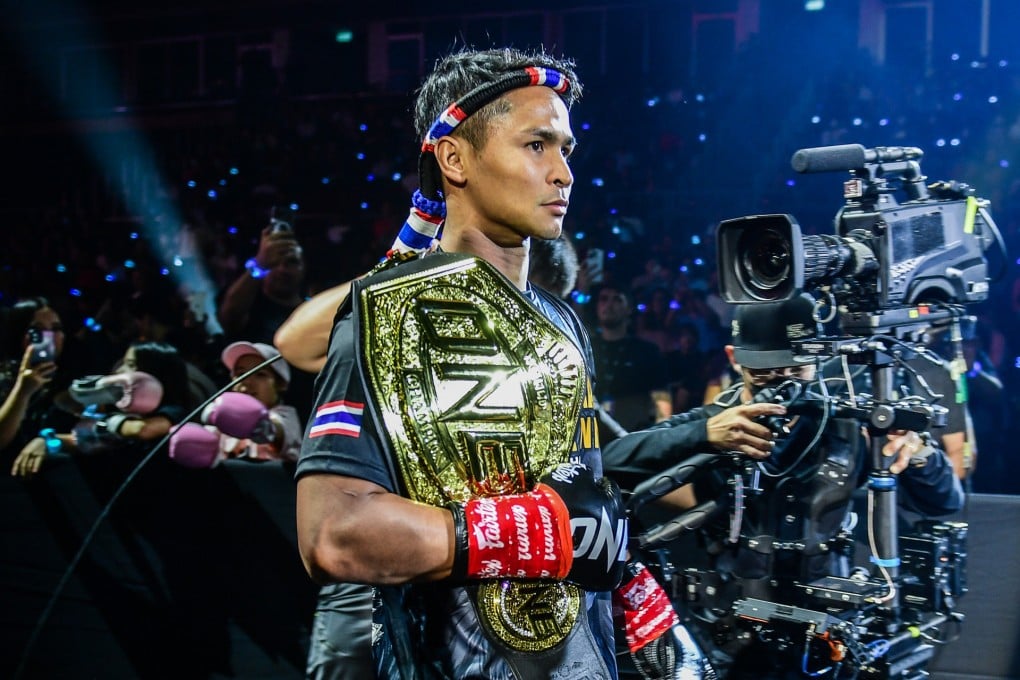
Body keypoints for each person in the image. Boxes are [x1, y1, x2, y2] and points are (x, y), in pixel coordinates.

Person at [296, 47, 628, 679]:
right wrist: (521, 535)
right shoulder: (384, 318)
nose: (564, 173)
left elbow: (576, 502)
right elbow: (331, 533)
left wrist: (627, 587)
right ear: (454, 158)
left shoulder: (563, 323)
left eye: (566, 148)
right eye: (537, 145)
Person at [602, 294, 964, 678]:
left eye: (797, 370)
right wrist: (704, 434)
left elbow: (945, 501)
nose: (782, 387)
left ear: (819, 358)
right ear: (733, 357)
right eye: (765, 372)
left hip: (830, 633)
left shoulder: (844, 424)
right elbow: (612, 459)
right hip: (733, 639)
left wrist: (921, 453)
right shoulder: (715, 422)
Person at [11, 341, 191, 478]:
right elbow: (83, 441)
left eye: (130, 365)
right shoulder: (122, 411)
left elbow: (143, 430)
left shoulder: (173, 411)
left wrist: (103, 425)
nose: (120, 370)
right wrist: (47, 442)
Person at [167, 341, 303, 468]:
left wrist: (260, 425)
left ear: (281, 384)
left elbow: (275, 431)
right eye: (241, 374)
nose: (247, 381)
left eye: (260, 374)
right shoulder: (223, 423)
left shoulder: (286, 416)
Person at [590, 283, 672, 433]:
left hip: (631, 436)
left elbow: (661, 399)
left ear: (629, 308)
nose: (609, 304)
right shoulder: (585, 347)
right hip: (589, 438)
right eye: (604, 299)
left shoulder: (647, 351)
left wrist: (661, 435)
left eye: (617, 300)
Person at [0, 297, 72, 454]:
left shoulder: (71, 379)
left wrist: (50, 443)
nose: (49, 337)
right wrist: (23, 391)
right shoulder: (3, 379)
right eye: (37, 330)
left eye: (56, 328)